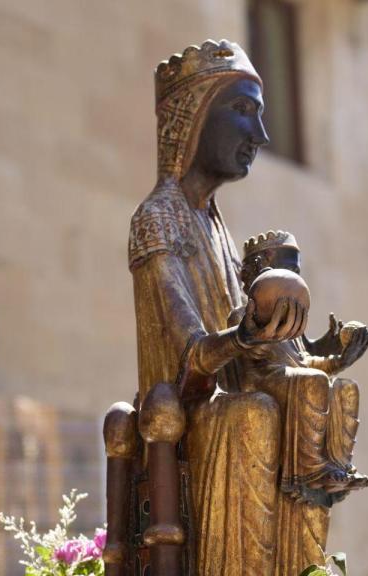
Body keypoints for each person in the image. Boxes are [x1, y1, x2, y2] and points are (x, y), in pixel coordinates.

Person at [129, 40, 309, 575]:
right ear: (193, 118)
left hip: (226, 401)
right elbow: (190, 356)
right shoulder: (157, 218)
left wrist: (302, 350)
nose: (261, 136)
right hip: (186, 417)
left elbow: (246, 349)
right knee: (253, 413)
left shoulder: (219, 229)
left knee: (318, 394)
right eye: (243, 111)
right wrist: (247, 334)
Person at [229, 230, 368, 505]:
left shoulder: (294, 327)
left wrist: (340, 361)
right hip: (263, 380)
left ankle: (339, 466)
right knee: (313, 381)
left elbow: (304, 361)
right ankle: (308, 467)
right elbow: (253, 356)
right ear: (265, 270)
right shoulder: (244, 315)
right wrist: (261, 331)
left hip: (290, 378)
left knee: (346, 388)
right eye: (290, 271)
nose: (297, 280)